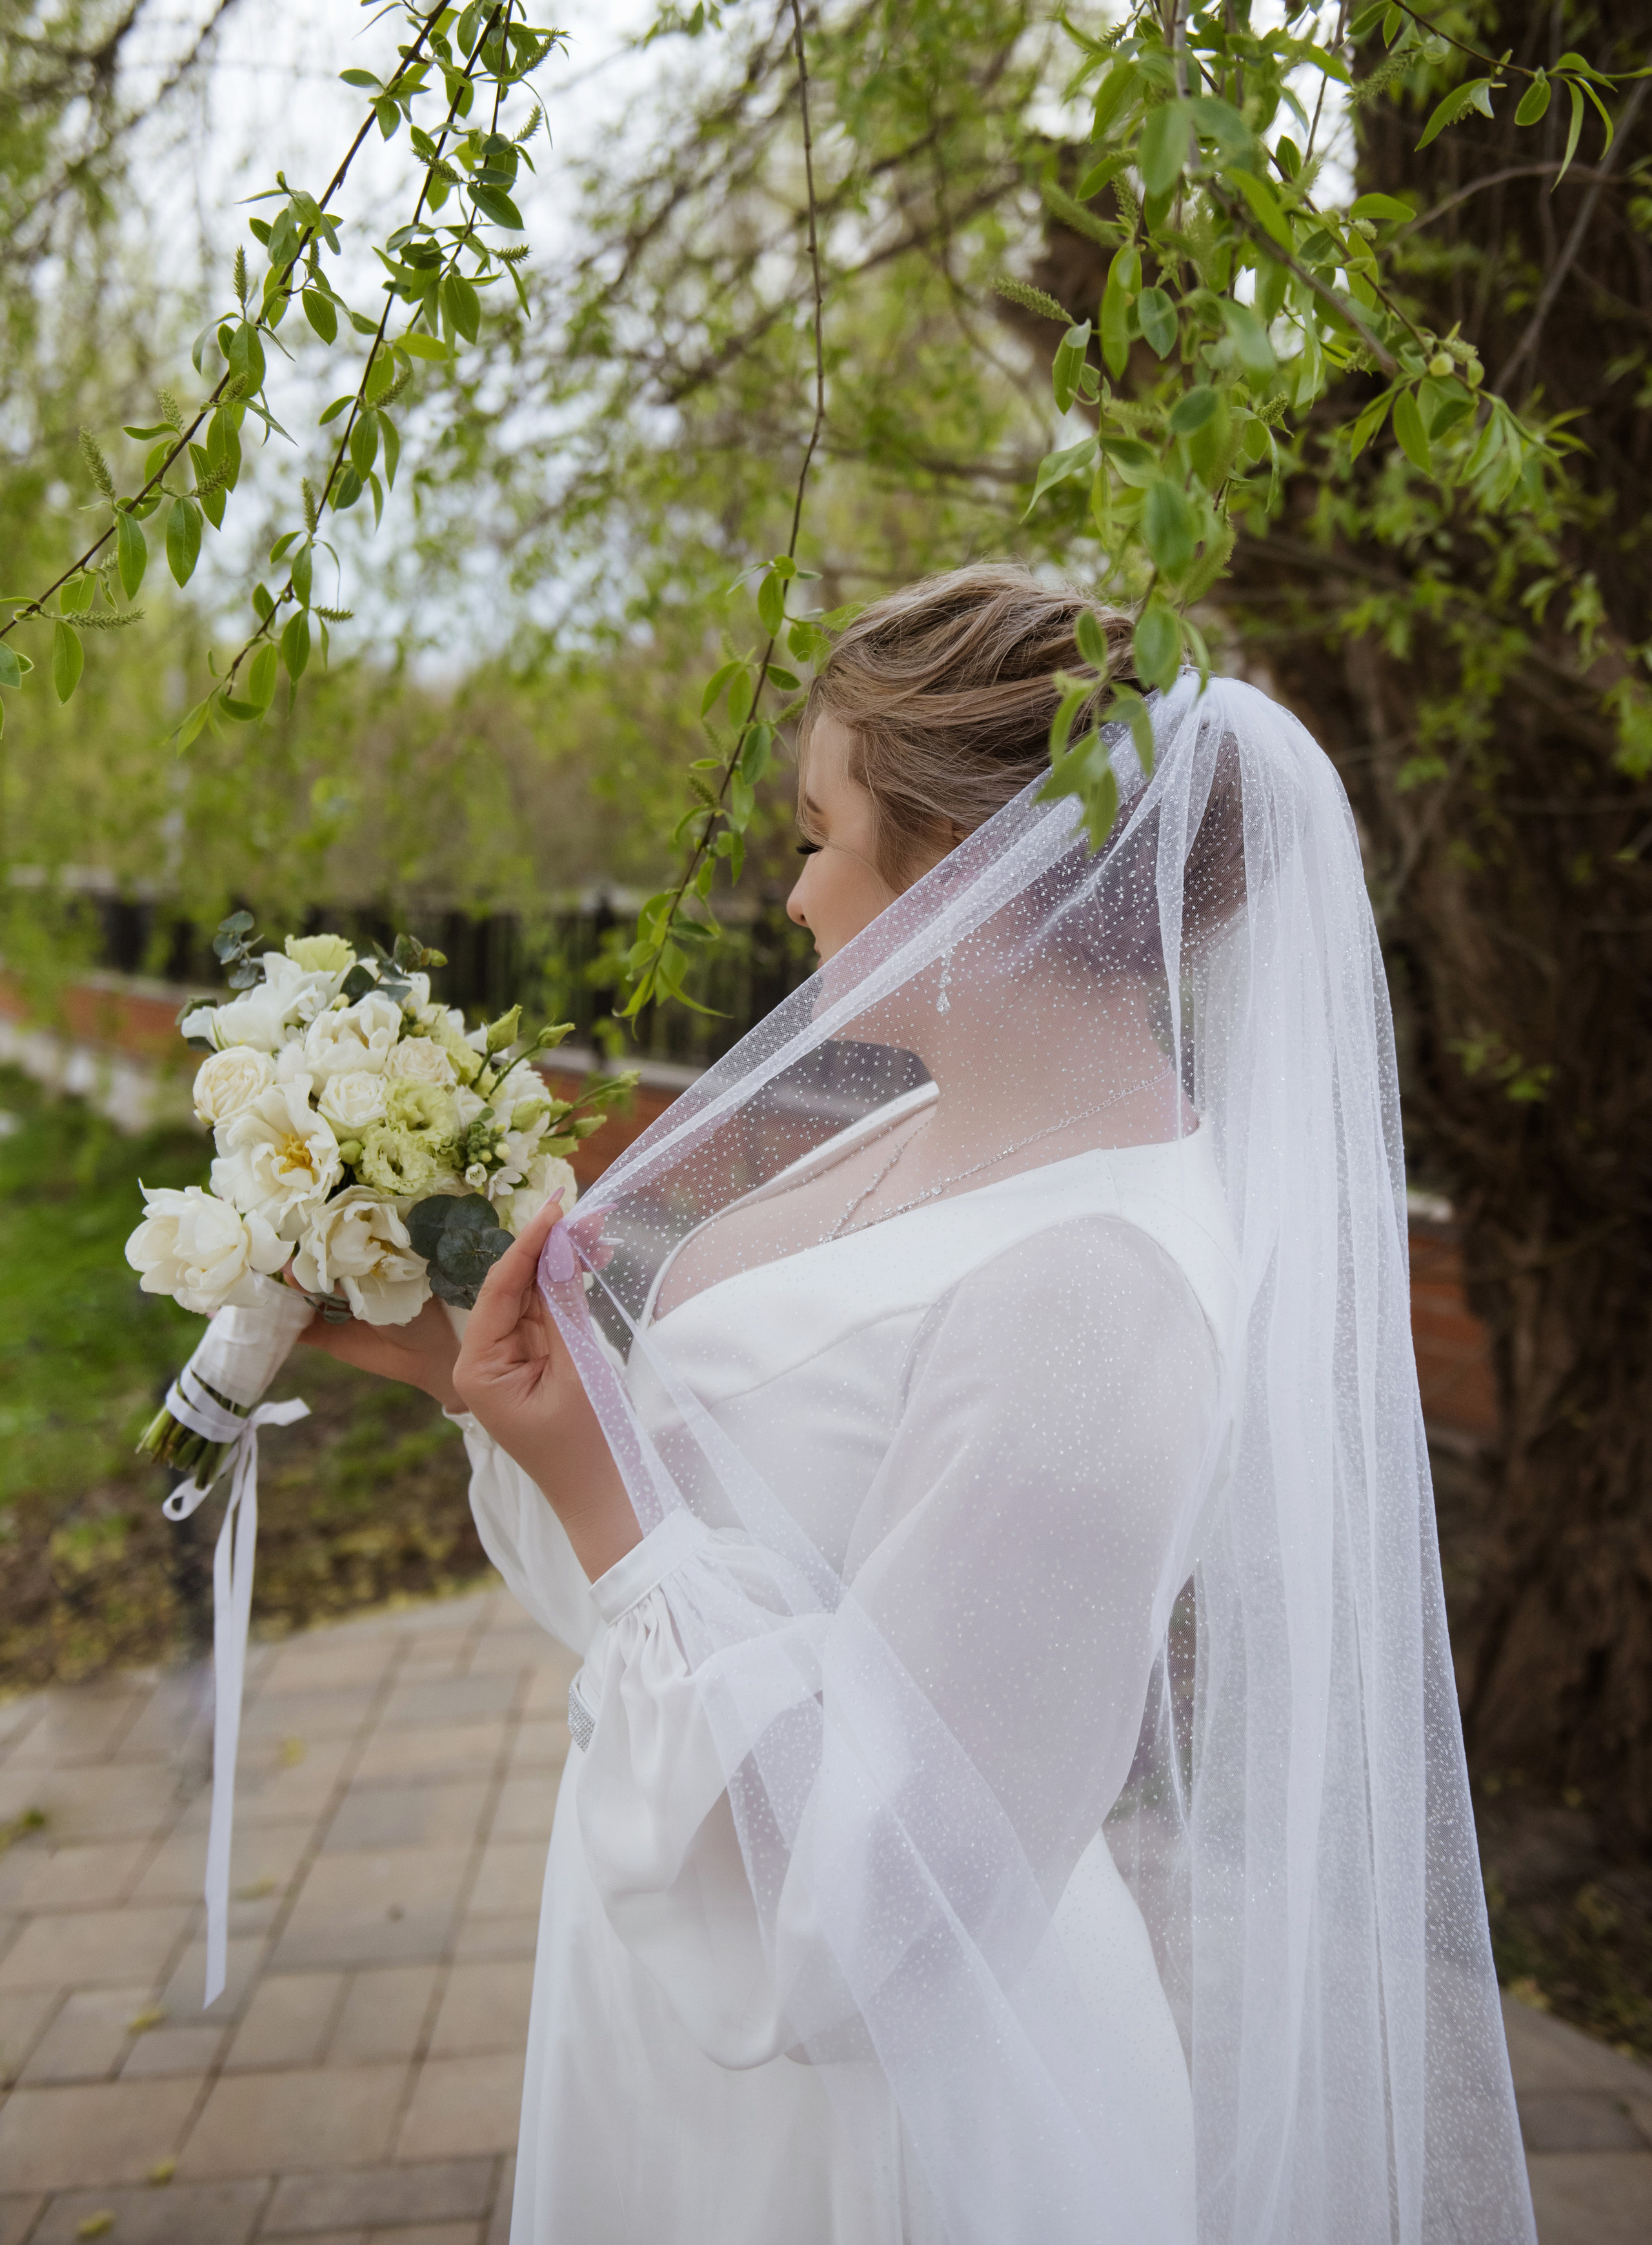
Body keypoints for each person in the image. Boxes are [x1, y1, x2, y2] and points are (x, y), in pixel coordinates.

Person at [304, 563, 1535, 2245]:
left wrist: (606, 1497)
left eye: (819, 834)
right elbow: (711, 1548)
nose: (795, 893)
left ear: (977, 877)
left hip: (853, 2134)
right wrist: (488, 1383)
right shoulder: (933, 1118)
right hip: (673, 1987)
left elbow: (871, 1921)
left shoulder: (1091, 1302)